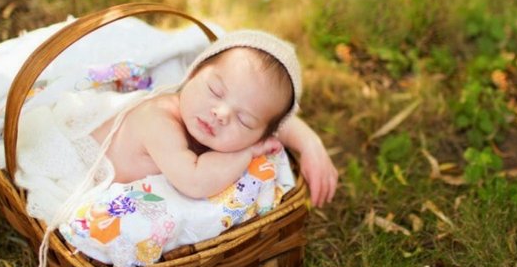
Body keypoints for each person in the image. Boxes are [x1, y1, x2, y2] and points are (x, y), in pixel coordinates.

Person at [89, 30, 338, 207]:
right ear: (193, 73)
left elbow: (275, 121)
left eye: (244, 121)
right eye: (215, 91)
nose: (221, 114)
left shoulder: (210, 114)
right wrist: (247, 153)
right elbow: (195, 182)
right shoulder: (158, 119)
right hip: (83, 168)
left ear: (262, 133)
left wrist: (309, 144)